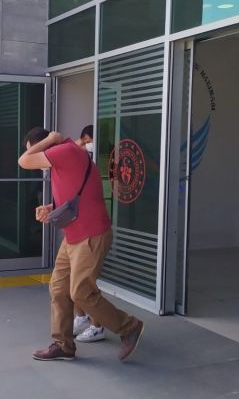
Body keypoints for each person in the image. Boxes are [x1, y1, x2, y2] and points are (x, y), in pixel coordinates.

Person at [18, 127, 144, 361]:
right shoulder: (64, 157)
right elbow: (76, 197)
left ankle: (130, 327)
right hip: (74, 236)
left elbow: (23, 161)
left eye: (36, 149)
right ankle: (63, 345)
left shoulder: (64, 151)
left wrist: (49, 139)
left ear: (47, 145)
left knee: (81, 293)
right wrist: (50, 208)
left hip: (90, 235)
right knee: (59, 288)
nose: (37, 158)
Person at [72, 124, 105, 343]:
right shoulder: (76, 157)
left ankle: (97, 325)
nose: (91, 144)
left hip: (92, 228)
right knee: (74, 281)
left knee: (85, 284)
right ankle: (81, 317)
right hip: (77, 229)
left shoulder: (91, 160)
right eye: (89, 140)